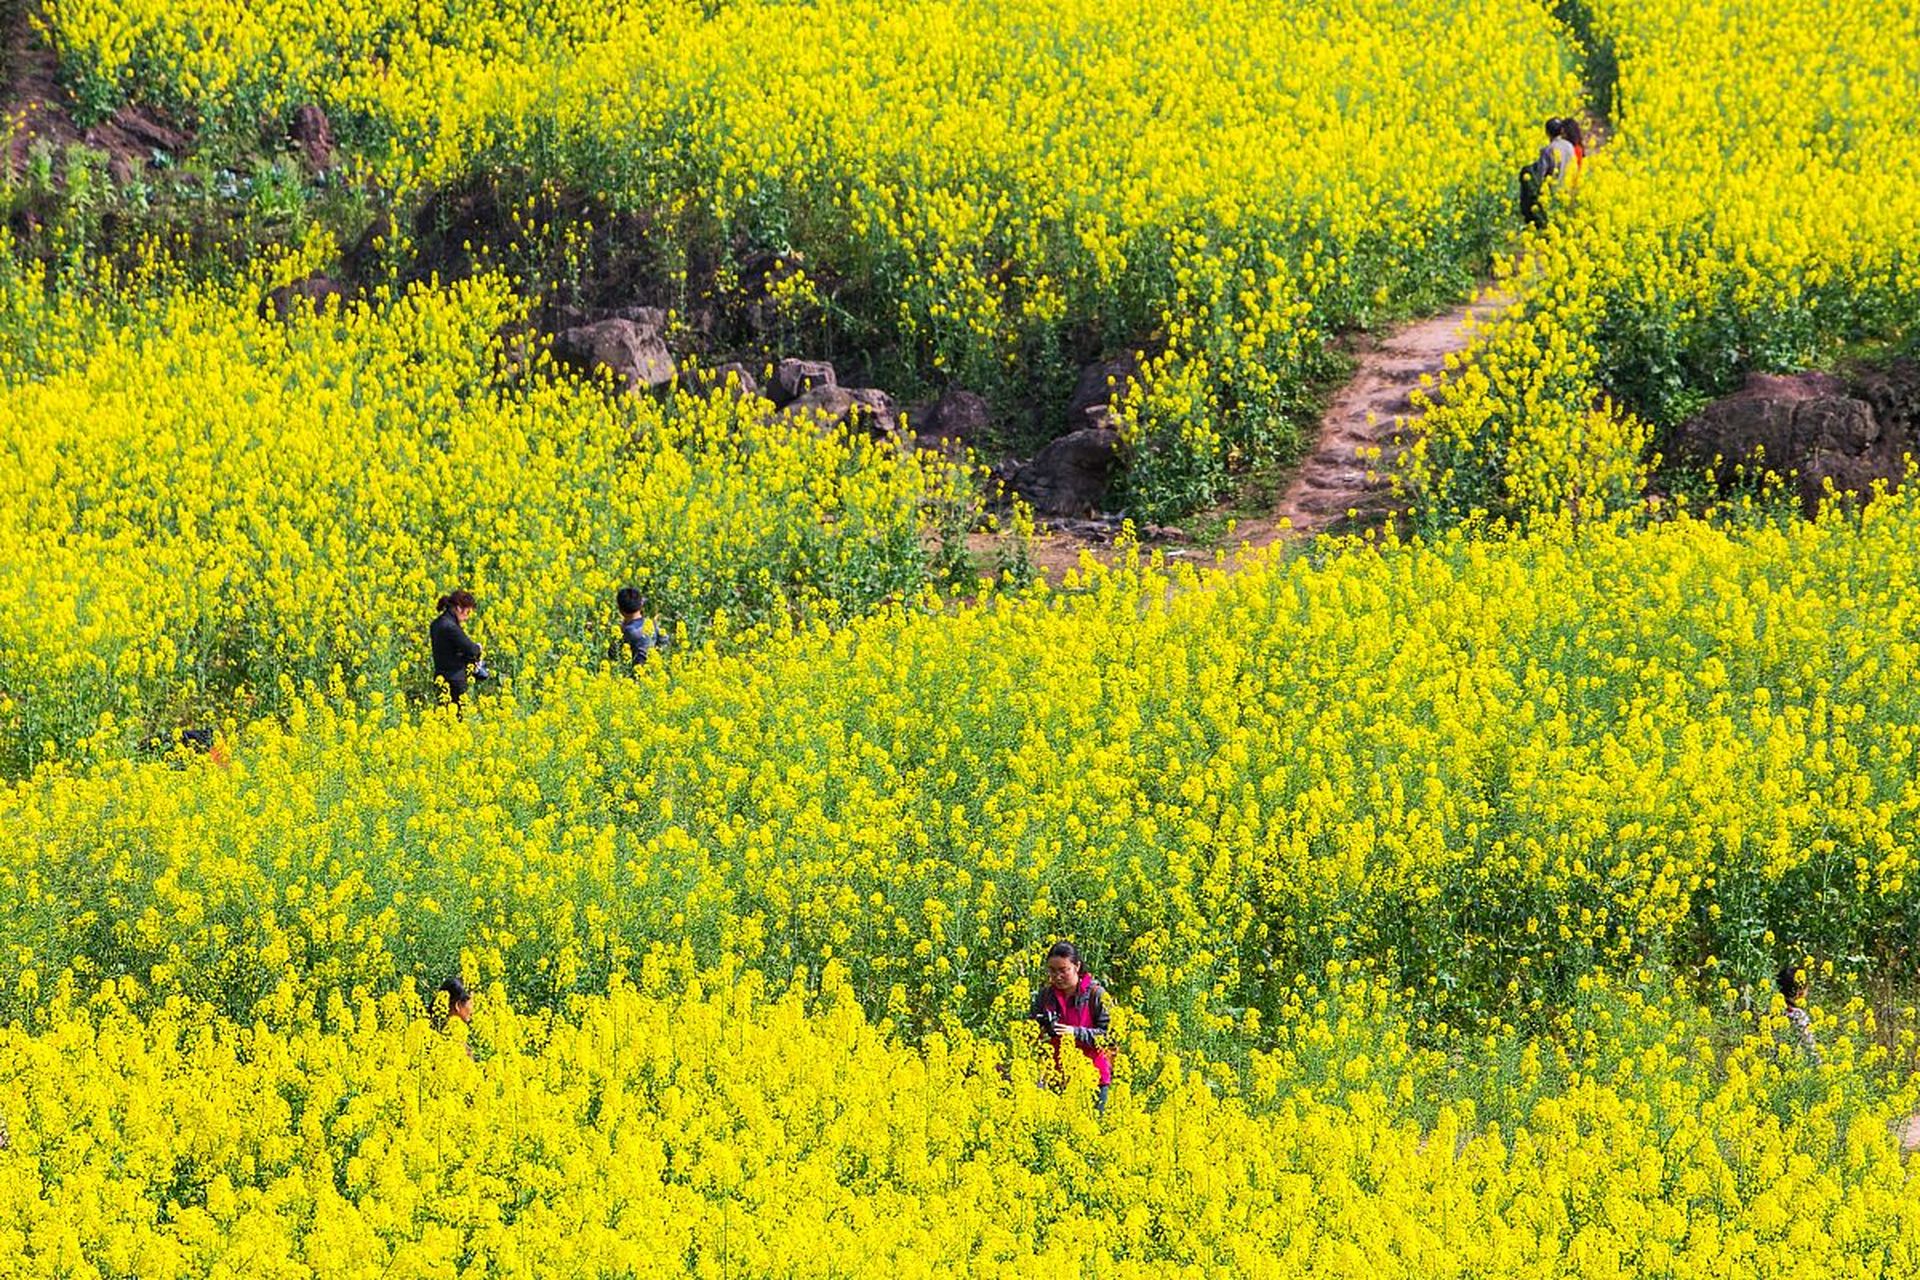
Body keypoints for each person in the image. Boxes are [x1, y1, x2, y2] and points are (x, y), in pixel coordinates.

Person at [1030, 940, 1113, 1113]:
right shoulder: (1045, 996)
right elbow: (1031, 1030)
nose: (1057, 976)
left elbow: (1110, 1037)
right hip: (1055, 1077)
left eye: (1063, 970)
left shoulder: (1096, 995)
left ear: (1077, 966)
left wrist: (1075, 1032)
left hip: (1092, 1079)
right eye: (1052, 971)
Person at [429, 590, 489, 706]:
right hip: (456, 680)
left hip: (440, 677)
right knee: (459, 718)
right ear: (459, 608)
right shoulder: (450, 627)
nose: (467, 617)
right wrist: (478, 647)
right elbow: (471, 649)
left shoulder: (436, 624)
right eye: (467, 612)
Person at [609, 586, 668, 667]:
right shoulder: (652, 624)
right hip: (653, 667)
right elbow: (664, 641)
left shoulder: (626, 631)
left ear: (620, 610)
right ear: (641, 604)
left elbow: (613, 654)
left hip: (635, 673)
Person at [1776, 960, 1821, 1065]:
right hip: (1791, 1064)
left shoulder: (1772, 1010)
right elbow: (1809, 1045)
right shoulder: (1798, 1015)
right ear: (1799, 991)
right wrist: (1819, 1065)